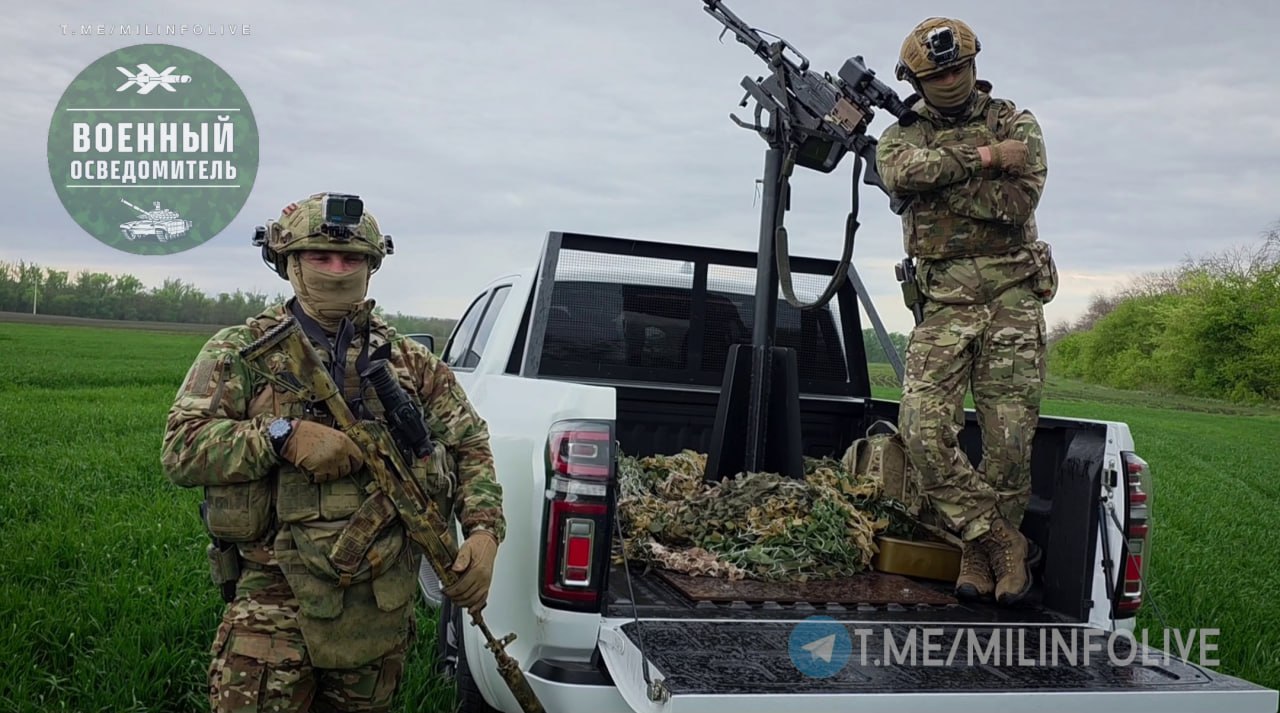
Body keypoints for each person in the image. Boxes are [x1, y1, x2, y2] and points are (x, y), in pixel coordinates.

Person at [160, 192, 506, 712]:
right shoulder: (241, 352)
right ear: (289, 263)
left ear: (372, 267)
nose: (337, 270)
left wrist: (483, 532)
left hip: (377, 608)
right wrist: (282, 436)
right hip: (273, 605)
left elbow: (469, 444)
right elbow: (182, 447)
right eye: (320, 257)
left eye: (351, 259)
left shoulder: (410, 363)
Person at [875, 18, 1058, 606]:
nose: (950, 78)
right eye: (937, 73)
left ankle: (981, 560)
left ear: (974, 63)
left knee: (1008, 445)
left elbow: (1015, 202)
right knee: (922, 429)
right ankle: (1000, 539)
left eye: (957, 67)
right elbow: (899, 172)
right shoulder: (901, 134)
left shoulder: (1017, 122)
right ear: (916, 80)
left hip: (1012, 300)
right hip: (943, 306)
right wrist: (983, 158)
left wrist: (938, 181)